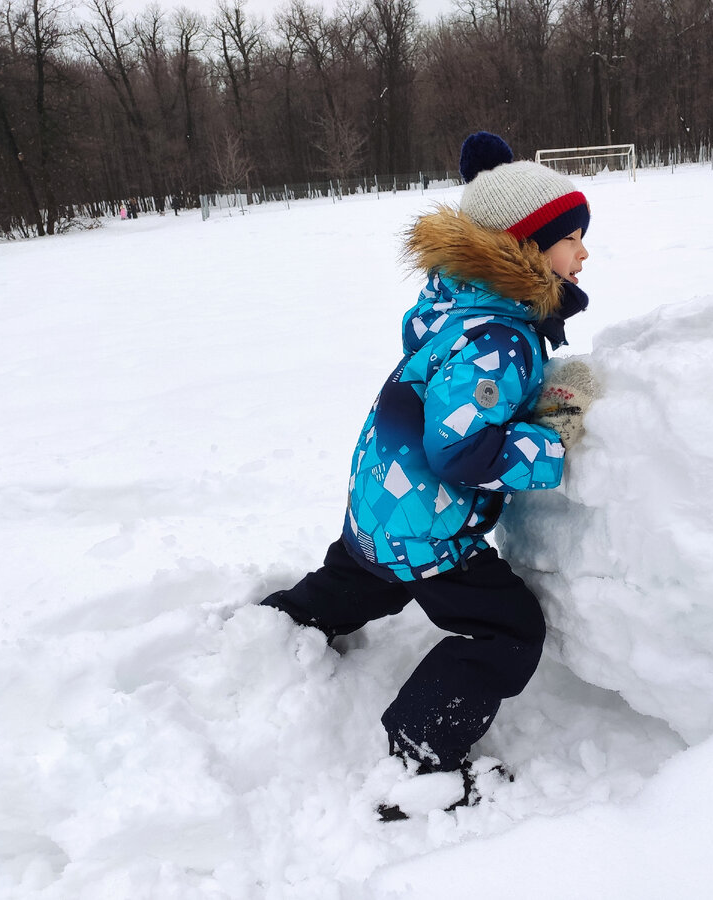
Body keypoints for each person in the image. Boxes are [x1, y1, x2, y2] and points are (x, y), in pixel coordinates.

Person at [259, 131, 597, 815]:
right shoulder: (499, 336)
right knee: (506, 630)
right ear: (526, 248)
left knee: (361, 578)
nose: (584, 253)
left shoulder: (458, 304)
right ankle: (419, 756)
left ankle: (277, 631)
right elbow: (463, 452)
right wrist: (550, 443)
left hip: (379, 505)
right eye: (572, 239)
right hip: (430, 528)